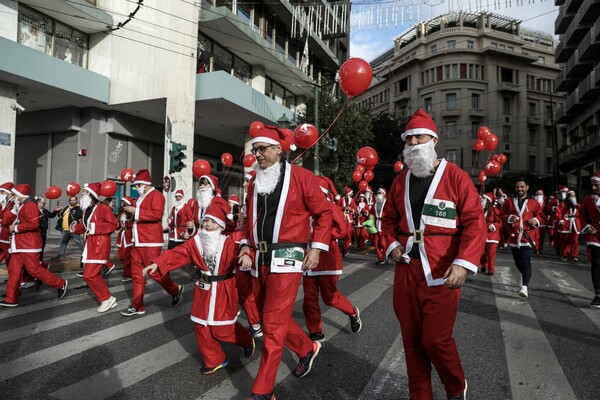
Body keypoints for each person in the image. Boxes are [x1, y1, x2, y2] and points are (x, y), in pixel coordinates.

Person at [381, 109, 485, 400]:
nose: (414, 142)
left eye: (420, 136)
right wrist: (392, 245)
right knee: (412, 342)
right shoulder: (400, 180)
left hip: (441, 272)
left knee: (435, 339)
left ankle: (455, 385)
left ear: (433, 140)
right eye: (409, 137)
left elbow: (476, 223)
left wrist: (463, 265)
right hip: (406, 272)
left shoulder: (456, 177)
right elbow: (387, 220)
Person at [237, 125, 333, 400]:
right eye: (254, 150)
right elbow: (249, 220)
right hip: (259, 256)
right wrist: (245, 245)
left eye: (263, 149)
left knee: (273, 325)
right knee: (270, 320)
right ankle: (305, 348)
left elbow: (324, 214)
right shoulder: (255, 181)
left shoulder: (302, 177)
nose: (258, 154)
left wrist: (316, 249)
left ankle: (263, 391)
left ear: (278, 149)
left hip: (289, 256)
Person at [143, 201, 255, 374]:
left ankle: (247, 339)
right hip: (202, 289)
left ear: (221, 225)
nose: (209, 225)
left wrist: (247, 254)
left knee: (222, 329)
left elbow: (247, 250)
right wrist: (158, 264)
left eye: (213, 221)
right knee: (201, 326)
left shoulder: (230, 243)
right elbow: (177, 253)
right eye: (206, 221)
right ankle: (215, 360)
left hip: (224, 290)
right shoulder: (196, 242)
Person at [302, 175, 361, 342]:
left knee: (330, 297)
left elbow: (342, 231)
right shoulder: (305, 207)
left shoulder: (331, 207)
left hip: (327, 258)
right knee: (309, 299)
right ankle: (316, 332)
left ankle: (352, 312)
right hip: (307, 258)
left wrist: (319, 237)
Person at [120, 169, 183, 316]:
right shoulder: (140, 197)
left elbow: (156, 215)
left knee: (154, 273)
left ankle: (175, 289)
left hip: (150, 241)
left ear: (146, 184)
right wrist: (128, 214)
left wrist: (135, 211)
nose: (136, 188)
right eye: (135, 186)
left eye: (138, 185)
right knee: (136, 274)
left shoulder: (157, 196)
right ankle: (137, 305)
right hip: (138, 240)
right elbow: (137, 216)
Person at [0, 184, 68, 307]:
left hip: (28, 244)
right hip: (19, 244)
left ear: (21, 195)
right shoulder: (20, 206)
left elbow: (33, 224)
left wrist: (16, 227)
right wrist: (14, 211)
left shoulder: (30, 205)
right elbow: (5, 222)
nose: (12, 197)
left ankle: (60, 283)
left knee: (34, 270)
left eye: (14, 194)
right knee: (13, 271)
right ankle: (11, 298)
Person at [70, 183, 119, 312]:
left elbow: (114, 224)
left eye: (85, 192)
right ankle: (107, 298)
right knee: (93, 274)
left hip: (100, 245)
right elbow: (87, 227)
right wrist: (76, 228)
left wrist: (95, 228)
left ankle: (106, 298)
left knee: (89, 275)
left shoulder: (103, 208)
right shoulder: (86, 209)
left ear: (92, 195)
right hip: (90, 244)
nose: (82, 194)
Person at [500, 178, 543, 299]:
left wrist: (535, 220)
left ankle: (525, 286)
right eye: (517, 187)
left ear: (527, 187)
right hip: (514, 237)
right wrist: (509, 218)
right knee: (518, 263)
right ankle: (524, 275)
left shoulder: (533, 202)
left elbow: (541, 216)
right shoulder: (509, 202)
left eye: (522, 187)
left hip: (528, 237)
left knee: (525, 261)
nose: (519, 189)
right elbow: (501, 215)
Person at [580, 173, 600, 307]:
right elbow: (581, 215)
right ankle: (598, 294)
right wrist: (587, 226)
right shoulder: (587, 199)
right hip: (593, 233)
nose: (593, 187)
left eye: (596, 184)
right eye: (592, 184)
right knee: (597, 261)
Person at [555, 190, 581, 262]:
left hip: (575, 224)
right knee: (565, 240)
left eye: (574, 196)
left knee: (575, 240)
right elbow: (558, 212)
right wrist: (560, 219)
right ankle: (564, 254)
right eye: (571, 196)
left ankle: (574, 255)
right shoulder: (563, 204)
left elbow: (581, 214)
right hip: (566, 224)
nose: (573, 197)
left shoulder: (578, 205)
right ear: (568, 197)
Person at [480, 193, 502, 276]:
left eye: (484, 198)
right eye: (482, 198)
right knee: (481, 253)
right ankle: (483, 264)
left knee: (491, 254)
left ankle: (491, 270)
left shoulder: (494, 209)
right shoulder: (480, 209)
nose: (482, 199)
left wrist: (493, 225)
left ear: (488, 201)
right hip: (482, 235)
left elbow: (500, 222)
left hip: (492, 235)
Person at [116, 197, 135, 283]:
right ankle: (130, 272)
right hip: (122, 236)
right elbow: (118, 225)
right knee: (121, 255)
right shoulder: (121, 213)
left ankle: (129, 274)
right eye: (122, 202)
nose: (122, 204)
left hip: (129, 235)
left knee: (127, 256)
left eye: (124, 203)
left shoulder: (132, 214)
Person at [0, 182, 15, 267]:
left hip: (8, 234)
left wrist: (1, 220)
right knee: (6, 256)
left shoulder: (12, 203)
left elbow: (6, 220)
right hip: (3, 234)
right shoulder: (6, 202)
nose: (0, 194)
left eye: (2, 192)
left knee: (9, 257)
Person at [338, 186, 356, 255]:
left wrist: (351, 209)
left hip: (349, 219)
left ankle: (346, 248)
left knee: (348, 234)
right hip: (343, 218)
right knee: (343, 233)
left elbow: (355, 210)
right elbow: (338, 207)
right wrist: (343, 208)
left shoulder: (353, 201)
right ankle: (347, 245)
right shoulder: (341, 199)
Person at [372, 188, 388, 264]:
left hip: (383, 225)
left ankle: (385, 254)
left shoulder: (387, 203)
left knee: (383, 243)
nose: (378, 194)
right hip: (376, 225)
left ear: (384, 194)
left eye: (380, 193)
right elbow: (371, 213)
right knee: (376, 243)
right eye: (378, 193)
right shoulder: (375, 203)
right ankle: (380, 258)